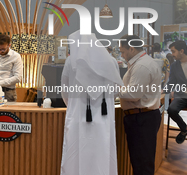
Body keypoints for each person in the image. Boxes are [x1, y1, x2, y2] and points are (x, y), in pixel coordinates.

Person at [60, 31, 123, 175]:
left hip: (77, 117)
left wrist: (74, 107)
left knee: (74, 157)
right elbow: (115, 90)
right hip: (104, 116)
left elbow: (65, 90)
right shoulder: (111, 61)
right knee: (103, 154)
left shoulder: (71, 61)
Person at [119, 35, 161, 175]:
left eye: (123, 51)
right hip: (141, 117)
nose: (122, 55)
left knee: (142, 163)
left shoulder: (142, 65)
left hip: (142, 118)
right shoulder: (141, 62)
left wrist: (112, 90)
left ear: (131, 48)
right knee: (140, 161)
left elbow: (133, 94)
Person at [0, 34, 23, 102]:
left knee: (8, 112)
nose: (0, 51)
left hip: (9, 92)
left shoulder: (16, 56)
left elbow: (17, 78)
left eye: (3, 49)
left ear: (9, 45)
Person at [166, 40, 187, 144]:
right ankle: (184, 129)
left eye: (173, 51)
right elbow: (172, 82)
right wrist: (163, 90)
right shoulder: (174, 65)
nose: (172, 54)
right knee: (171, 109)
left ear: (181, 51)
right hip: (181, 96)